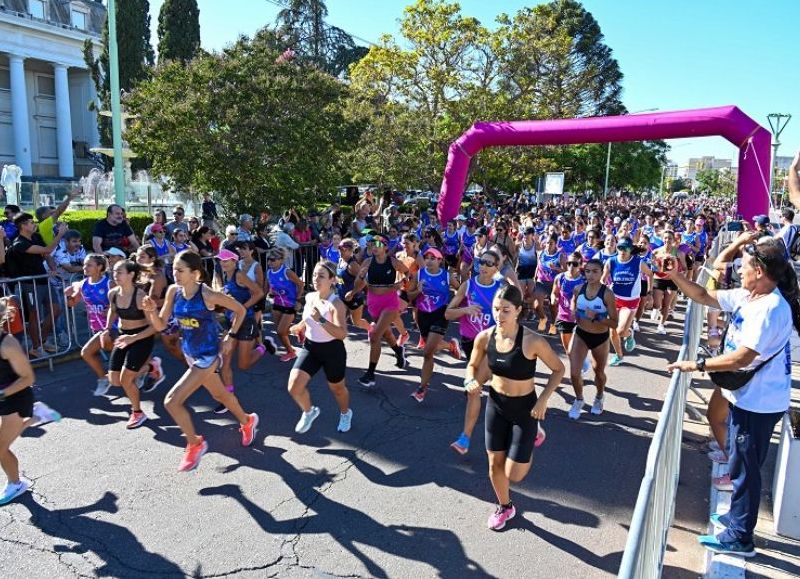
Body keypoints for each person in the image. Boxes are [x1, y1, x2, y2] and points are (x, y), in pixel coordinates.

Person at [666, 235, 798, 558]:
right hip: (746, 397)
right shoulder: (748, 296)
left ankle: (740, 537)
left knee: (746, 469)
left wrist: (697, 364)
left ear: (762, 272)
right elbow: (701, 295)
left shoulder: (770, 309)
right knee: (740, 463)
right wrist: (673, 275)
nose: (740, 270)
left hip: (760, 403)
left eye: (747, 266)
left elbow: (741, 357)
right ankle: (736, 519)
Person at [141, 251, 259, 472]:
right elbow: (160, 326)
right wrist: (150, 312)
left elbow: (240, 310)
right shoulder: (173, 292)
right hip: (190, 354)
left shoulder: (208, 295)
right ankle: (247, 421)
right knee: (220, 394)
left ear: (195, 273)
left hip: (208, 357)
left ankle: (195, 443)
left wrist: (230, 337)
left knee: (171, 401)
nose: (174, 274)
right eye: (173, 269)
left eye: (180, 270)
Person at [464, 284, 564, 530]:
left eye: (506, 310)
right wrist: (470, 380)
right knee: (494, 465)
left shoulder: (532, 341)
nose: (499, 315)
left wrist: (543, 400)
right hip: (496, 405)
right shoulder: (485, 337)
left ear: (518, 311)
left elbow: (558, 369)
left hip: (525, 410)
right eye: (496, 309)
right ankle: (505, 507)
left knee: (514, 475)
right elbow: (472, 365)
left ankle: (533, 434)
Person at [445, 250, 503, 454]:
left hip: (492, 344)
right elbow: (448, 313)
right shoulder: (467, 286)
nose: (484, 266)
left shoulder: (500, 288)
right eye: (481, 262)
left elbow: (513, 313)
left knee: (474, 388)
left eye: (489, 263)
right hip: (470, 343)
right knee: (496, 388)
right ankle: (529, 424)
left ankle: (464, 439)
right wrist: (465, 310)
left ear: (496, 268)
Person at [287, 260, 353, 434]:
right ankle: (309, 412)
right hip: (311, 348)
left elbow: (342, 334)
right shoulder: (310, 297)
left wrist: (321, 320)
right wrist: (300, 326)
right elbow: (308, 317)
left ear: (332, 280)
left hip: (332, 351)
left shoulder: (336, 304)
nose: (316, 278)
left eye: (321, 276)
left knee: (337, 389)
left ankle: (345, 413)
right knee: (294, 386)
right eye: (315, 274)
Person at [216, 249, 275, 413]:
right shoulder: (225, 276)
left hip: (246, 321)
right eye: (221, 260)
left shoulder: (239, 275)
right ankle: (228, 399)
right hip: (231, 322)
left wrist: (241, 308)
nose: (222, 263)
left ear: (234, 261)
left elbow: (258, 293)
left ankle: (263, 347)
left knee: (243, 365)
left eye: (226, 260)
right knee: (224, 362)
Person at [0, 298, 46, 505]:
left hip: (14, 400)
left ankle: (16, 484)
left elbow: (28, 378)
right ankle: (37, 415)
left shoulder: (7, 344)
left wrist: (2, 394)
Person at [350, 234, 410, 388]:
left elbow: (410, 274)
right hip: (373, 302)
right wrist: (358, 282)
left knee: (375, 336)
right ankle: (398, 351)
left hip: (390, 302)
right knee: (386, 333)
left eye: (377, 244)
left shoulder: (393, 262)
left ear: (385, 247)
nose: (373, 247)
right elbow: (359, 284)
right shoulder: (367, 262)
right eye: (371, 244)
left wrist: (401, 284)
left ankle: (370, 374)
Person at [103, 260, 156, 428]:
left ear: (131, 275)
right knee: (114, 380)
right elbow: (112, 310)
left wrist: (134, 338)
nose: (115, 275)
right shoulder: (112, 293)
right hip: (123, 336)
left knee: (126, 380)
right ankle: (151, 367)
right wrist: (105, 329)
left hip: (142, 337)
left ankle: (138, 413)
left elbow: (154, 327)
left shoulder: (141, 297)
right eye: (114, 272)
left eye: (119, 272)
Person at [406, 248, 463, 402]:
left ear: (440, 260)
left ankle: (422, 389)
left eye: (433, 258)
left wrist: (456, 307)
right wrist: (417, 291)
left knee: (427, 352)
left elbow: (461, 291)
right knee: (431, 346)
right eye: (427, 257)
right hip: (423, 315)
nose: (429, 260)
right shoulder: (419, 275)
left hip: (440, 314)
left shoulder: (446, 275)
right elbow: (408, 295)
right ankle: (450, 345)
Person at [8, 214, 68, 357]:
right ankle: (36, 347)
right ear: (23, 226)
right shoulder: (19, 243)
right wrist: (60, 234)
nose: (34, 224)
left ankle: (42, 340)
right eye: (30, 222)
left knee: (56, 310)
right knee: (34, 315)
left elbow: (47, 255)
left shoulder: (36, 237)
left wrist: (53, 268)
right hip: (29, 284)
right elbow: (47, 249)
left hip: (43, 280)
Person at [567, 259, 618, 420]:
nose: (590, 274)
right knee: (574, 373)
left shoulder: (607, 294)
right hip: (581, 334)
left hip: (600, 337)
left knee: (599, 372)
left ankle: (599, 397)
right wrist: (573, 311)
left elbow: (614, 323)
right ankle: (579, 399)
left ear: (602, 272)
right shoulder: (578, 289)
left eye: (595, 271)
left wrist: (597, 317)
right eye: (588, 271)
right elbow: (573, 303)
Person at [604, 236, 654, 365]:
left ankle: (629, 333)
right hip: (615, 298)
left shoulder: (638, 262)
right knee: (612, 331)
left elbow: (650, 274)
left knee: (621, 331)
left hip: (631, 301)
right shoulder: (611, 261)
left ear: (630, 249)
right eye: (620, 247)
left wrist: (649, 292)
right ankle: (619, 356)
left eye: (626, 248)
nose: (622, 250)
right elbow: (602, 278)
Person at [265, 248, 304, 362]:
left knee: (281, 331)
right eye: (268, 259)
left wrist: (297, 299)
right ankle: (297, 331)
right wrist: (268, 294)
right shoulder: (269, 272)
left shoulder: (287, 272)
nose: (269, 262)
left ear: (281, 260)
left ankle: (291, 352)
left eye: (272, 260)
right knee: (279, 331)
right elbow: (268, 288)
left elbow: (300, 284)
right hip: (277, 304)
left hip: (290, 304)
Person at [336, 239, 370, 332]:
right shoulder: (340, 261)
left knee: (357, 322)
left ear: (350, 250)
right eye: (339, 248)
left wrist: (352, 292)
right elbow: (340, 278)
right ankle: (335, 340)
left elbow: (364, 281)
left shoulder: (352, 265)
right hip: (341, 297)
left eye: (342, 249)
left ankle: (372, 329)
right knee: (337, 320)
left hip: (354, 298)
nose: (340, 250)